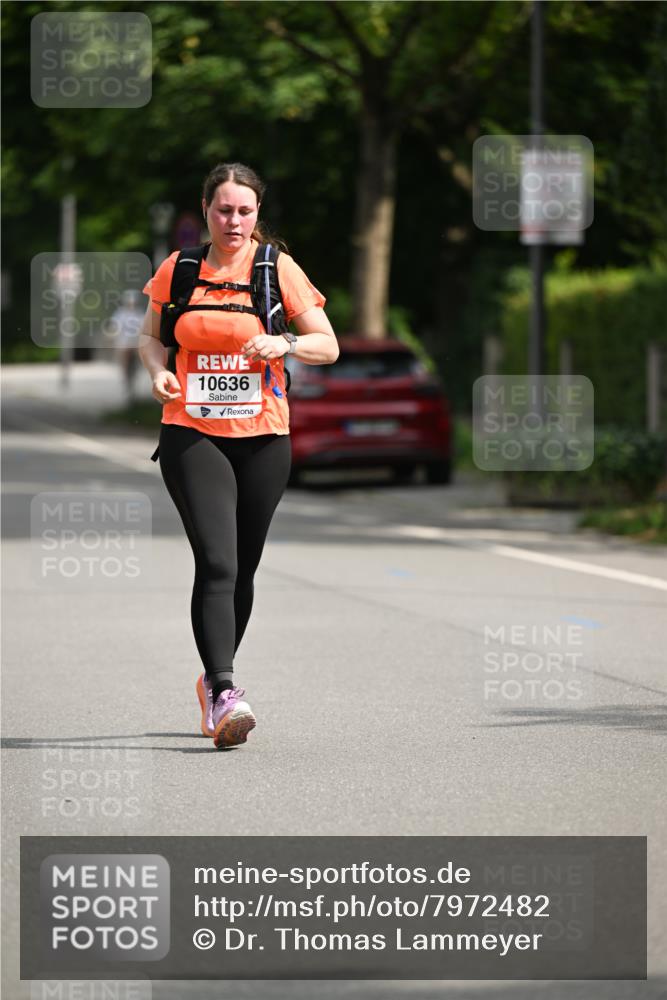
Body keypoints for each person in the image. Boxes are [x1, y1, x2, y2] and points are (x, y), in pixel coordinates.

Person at [138, 162, 339, 749]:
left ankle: (211, 682)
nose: (234, 220)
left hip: (264, 436)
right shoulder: (180, 269)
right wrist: (157, 373)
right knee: (218, 563)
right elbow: (150, 336)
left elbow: (327, 344)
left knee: (243, 568)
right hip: (191, 431)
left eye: (245, 211)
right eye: (224, 209)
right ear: (206, 209)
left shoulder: (277, 269)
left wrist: (285, 341)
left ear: (257, 214)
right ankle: (226, 689)